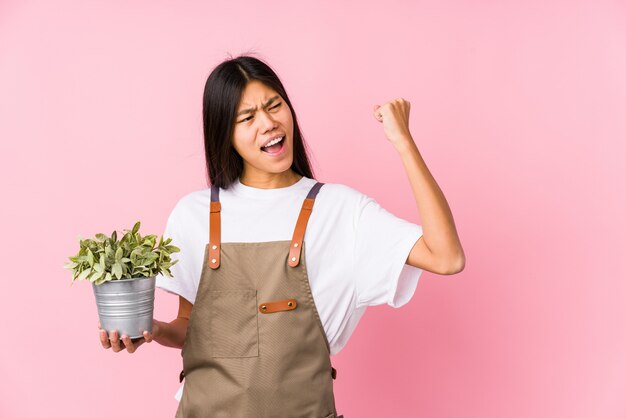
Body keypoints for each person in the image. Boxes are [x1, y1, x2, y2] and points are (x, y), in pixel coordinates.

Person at [98, 54, 465, 417]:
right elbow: (192, 328)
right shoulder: (193, 214)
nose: (269, 123)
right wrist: (152, 329)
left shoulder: (341, 210)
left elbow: (446, 258)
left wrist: (403, 142)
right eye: (248, 117)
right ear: (224, 133)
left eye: (275, 105)